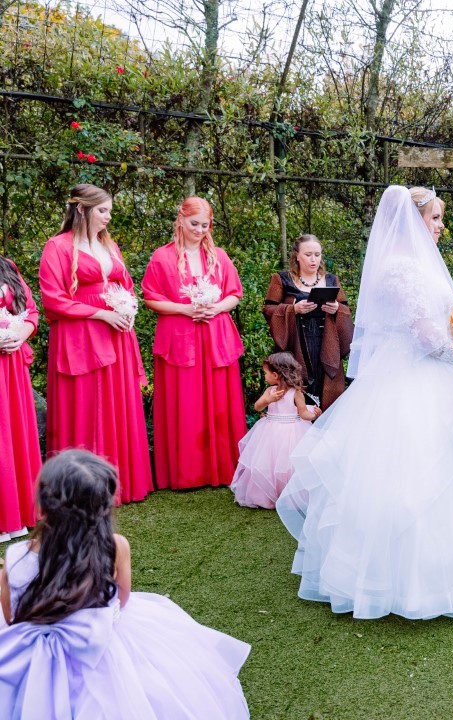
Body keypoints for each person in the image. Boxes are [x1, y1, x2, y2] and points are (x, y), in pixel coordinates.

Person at [276, 185, 453, 620]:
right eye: (435, 218)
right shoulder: (401, 269)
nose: (441, 226)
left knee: (440, 472)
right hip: (409, 376)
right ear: (413, 220)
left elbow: (440, 321)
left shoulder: (420, 264)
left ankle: (444, 574)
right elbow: (423, 335)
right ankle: (401, 583)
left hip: (427, 374)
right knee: (411, 469)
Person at [0, 449, 251, 719]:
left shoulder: (15, 557)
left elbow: (11, 616)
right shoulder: (115, 547)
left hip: (33, 659)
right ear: (104, 506)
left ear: (41, 506)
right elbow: (123, 597)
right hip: (105, 649)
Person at [37, 184, 153, 504]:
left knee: (117, 402)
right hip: (80, 334)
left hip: (116, 332)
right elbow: (53, 300)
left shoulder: (109, 245)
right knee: (87, 404)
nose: (108, 217)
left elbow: (126, 284)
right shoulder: (58, 247)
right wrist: (101, 313)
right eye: (103, 210)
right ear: (82, 209)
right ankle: (84, 485)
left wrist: (127, 307)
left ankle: (121, 479)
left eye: (109, 211)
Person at [142, 197, 247, 490]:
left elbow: (235, 294)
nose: (200, 230)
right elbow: (150, 297)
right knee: (185, 400)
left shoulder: (219, 256)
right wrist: (185, 309)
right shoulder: (162, 257)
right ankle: (186, 472)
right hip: (180, 335)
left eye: (205, 225)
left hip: (215, 335)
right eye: (194, 224)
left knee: (219, 401)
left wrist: (218, 308)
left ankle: (223, 468)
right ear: (181, 220)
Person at [262, 235, 353, 409]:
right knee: (296, 389)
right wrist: (293, 309)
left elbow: (346, 310)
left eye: (317, 255)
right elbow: (268, 309)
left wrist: (336, 309)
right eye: (308, 254)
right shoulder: (282, 279)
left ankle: (324, 424)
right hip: (296, 343)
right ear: (297, 255)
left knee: (326, 391)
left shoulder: (332, 280)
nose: (314, 259)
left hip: (326, 342)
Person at [231, 352, 320, 509]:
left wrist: (313, 414)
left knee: (287, 466)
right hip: (269, 433)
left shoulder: (296, 393)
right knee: (268, 463)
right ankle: (265, 496)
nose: (264, 376)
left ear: (275, 375)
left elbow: (303, 413)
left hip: (292, 433)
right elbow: (257, 407)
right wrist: (268, 400)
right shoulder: (270, 391)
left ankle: (287, 495)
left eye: (266, 373)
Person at [0, 257, 40, 539]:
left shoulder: (6, 266)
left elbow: (30, 312)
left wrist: (19, 336)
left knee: (12, 434)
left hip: (11, 367)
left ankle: (17, 513)